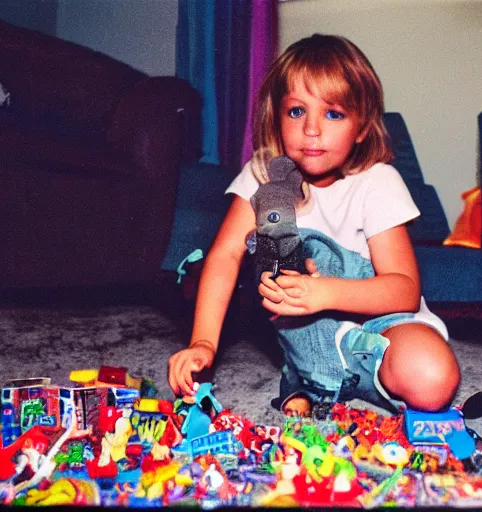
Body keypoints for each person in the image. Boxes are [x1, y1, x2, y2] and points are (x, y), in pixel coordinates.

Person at [168, 34, 460, 416]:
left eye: (333, 114)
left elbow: (403, 290)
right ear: (277, 116)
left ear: (361, 128)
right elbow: (223, 258)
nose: (311, 129)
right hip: (306, 343)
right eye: (296, 112)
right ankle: (306, 379)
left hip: (382, 329)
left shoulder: (377, 181)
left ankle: (338, 382)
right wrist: (203, 343)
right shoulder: (264, 179)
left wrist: (324, 294)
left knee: (432, 377)